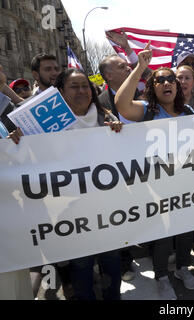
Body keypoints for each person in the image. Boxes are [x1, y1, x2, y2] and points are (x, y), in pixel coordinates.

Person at [9, 68, 124, 300]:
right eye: (74, 86)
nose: (82, 91)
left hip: (107, 208)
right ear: (60, 91)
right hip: (70, 213)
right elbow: (25, 164)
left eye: (85, 86)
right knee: (81, 265)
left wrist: (121, 133)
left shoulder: (107, 119)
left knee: (111, 260)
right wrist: (16, 144)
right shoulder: (41, 126)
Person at [114, 43, 194, 300]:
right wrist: (140, 66)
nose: (166, 83)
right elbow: (121, 103)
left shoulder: (188, 112)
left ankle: (183, 268)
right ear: (153, 88)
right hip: (156, 188)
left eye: (170, 79)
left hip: (185, 184)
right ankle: (162, 276)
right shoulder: (146, 111)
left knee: (185, 231)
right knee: (162, 235)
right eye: (159, 80)